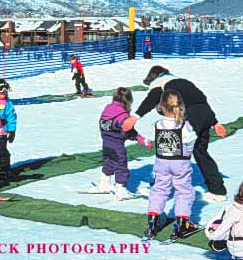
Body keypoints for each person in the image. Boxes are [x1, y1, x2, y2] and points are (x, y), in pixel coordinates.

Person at [122, 65, 228, 202]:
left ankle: (158, 188)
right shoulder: (184, 81)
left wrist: (135, 117)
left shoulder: (160, 82)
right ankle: (218, 191)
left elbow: (152, 98)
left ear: (153, 76)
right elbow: (201, 100)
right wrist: (215, 122)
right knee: (201, 152)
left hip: (191, 116)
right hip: (205, 114)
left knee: (170, 154)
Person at [145, 90, 198, 240]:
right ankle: (183, 223)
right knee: (183, 190)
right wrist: (189, 152)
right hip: (180, 162)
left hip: (161, 161)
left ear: (161, 106)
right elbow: (191, 140)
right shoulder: (184, 126)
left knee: (159, 189)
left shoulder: (157, 124)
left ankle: (153, 221)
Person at [95, 87, 152, 200]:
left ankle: (104, 183)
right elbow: (128, 130)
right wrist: (142, 139)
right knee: (121, 165)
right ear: (128, 101)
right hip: (117, 144)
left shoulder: (107, 109)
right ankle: (121, 188)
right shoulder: (122, 115)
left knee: (108, 162)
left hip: (106, 143)